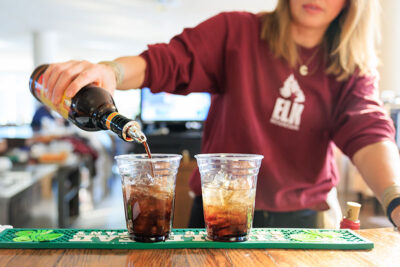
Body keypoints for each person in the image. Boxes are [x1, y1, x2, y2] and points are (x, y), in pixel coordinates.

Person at [40, 0, 400, 229]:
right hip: (213, 217)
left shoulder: (351, 69)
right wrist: (111, 73)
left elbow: (367, 132)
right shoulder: (237, 33)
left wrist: (395, 198)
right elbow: (166, 62)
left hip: (305, 222)